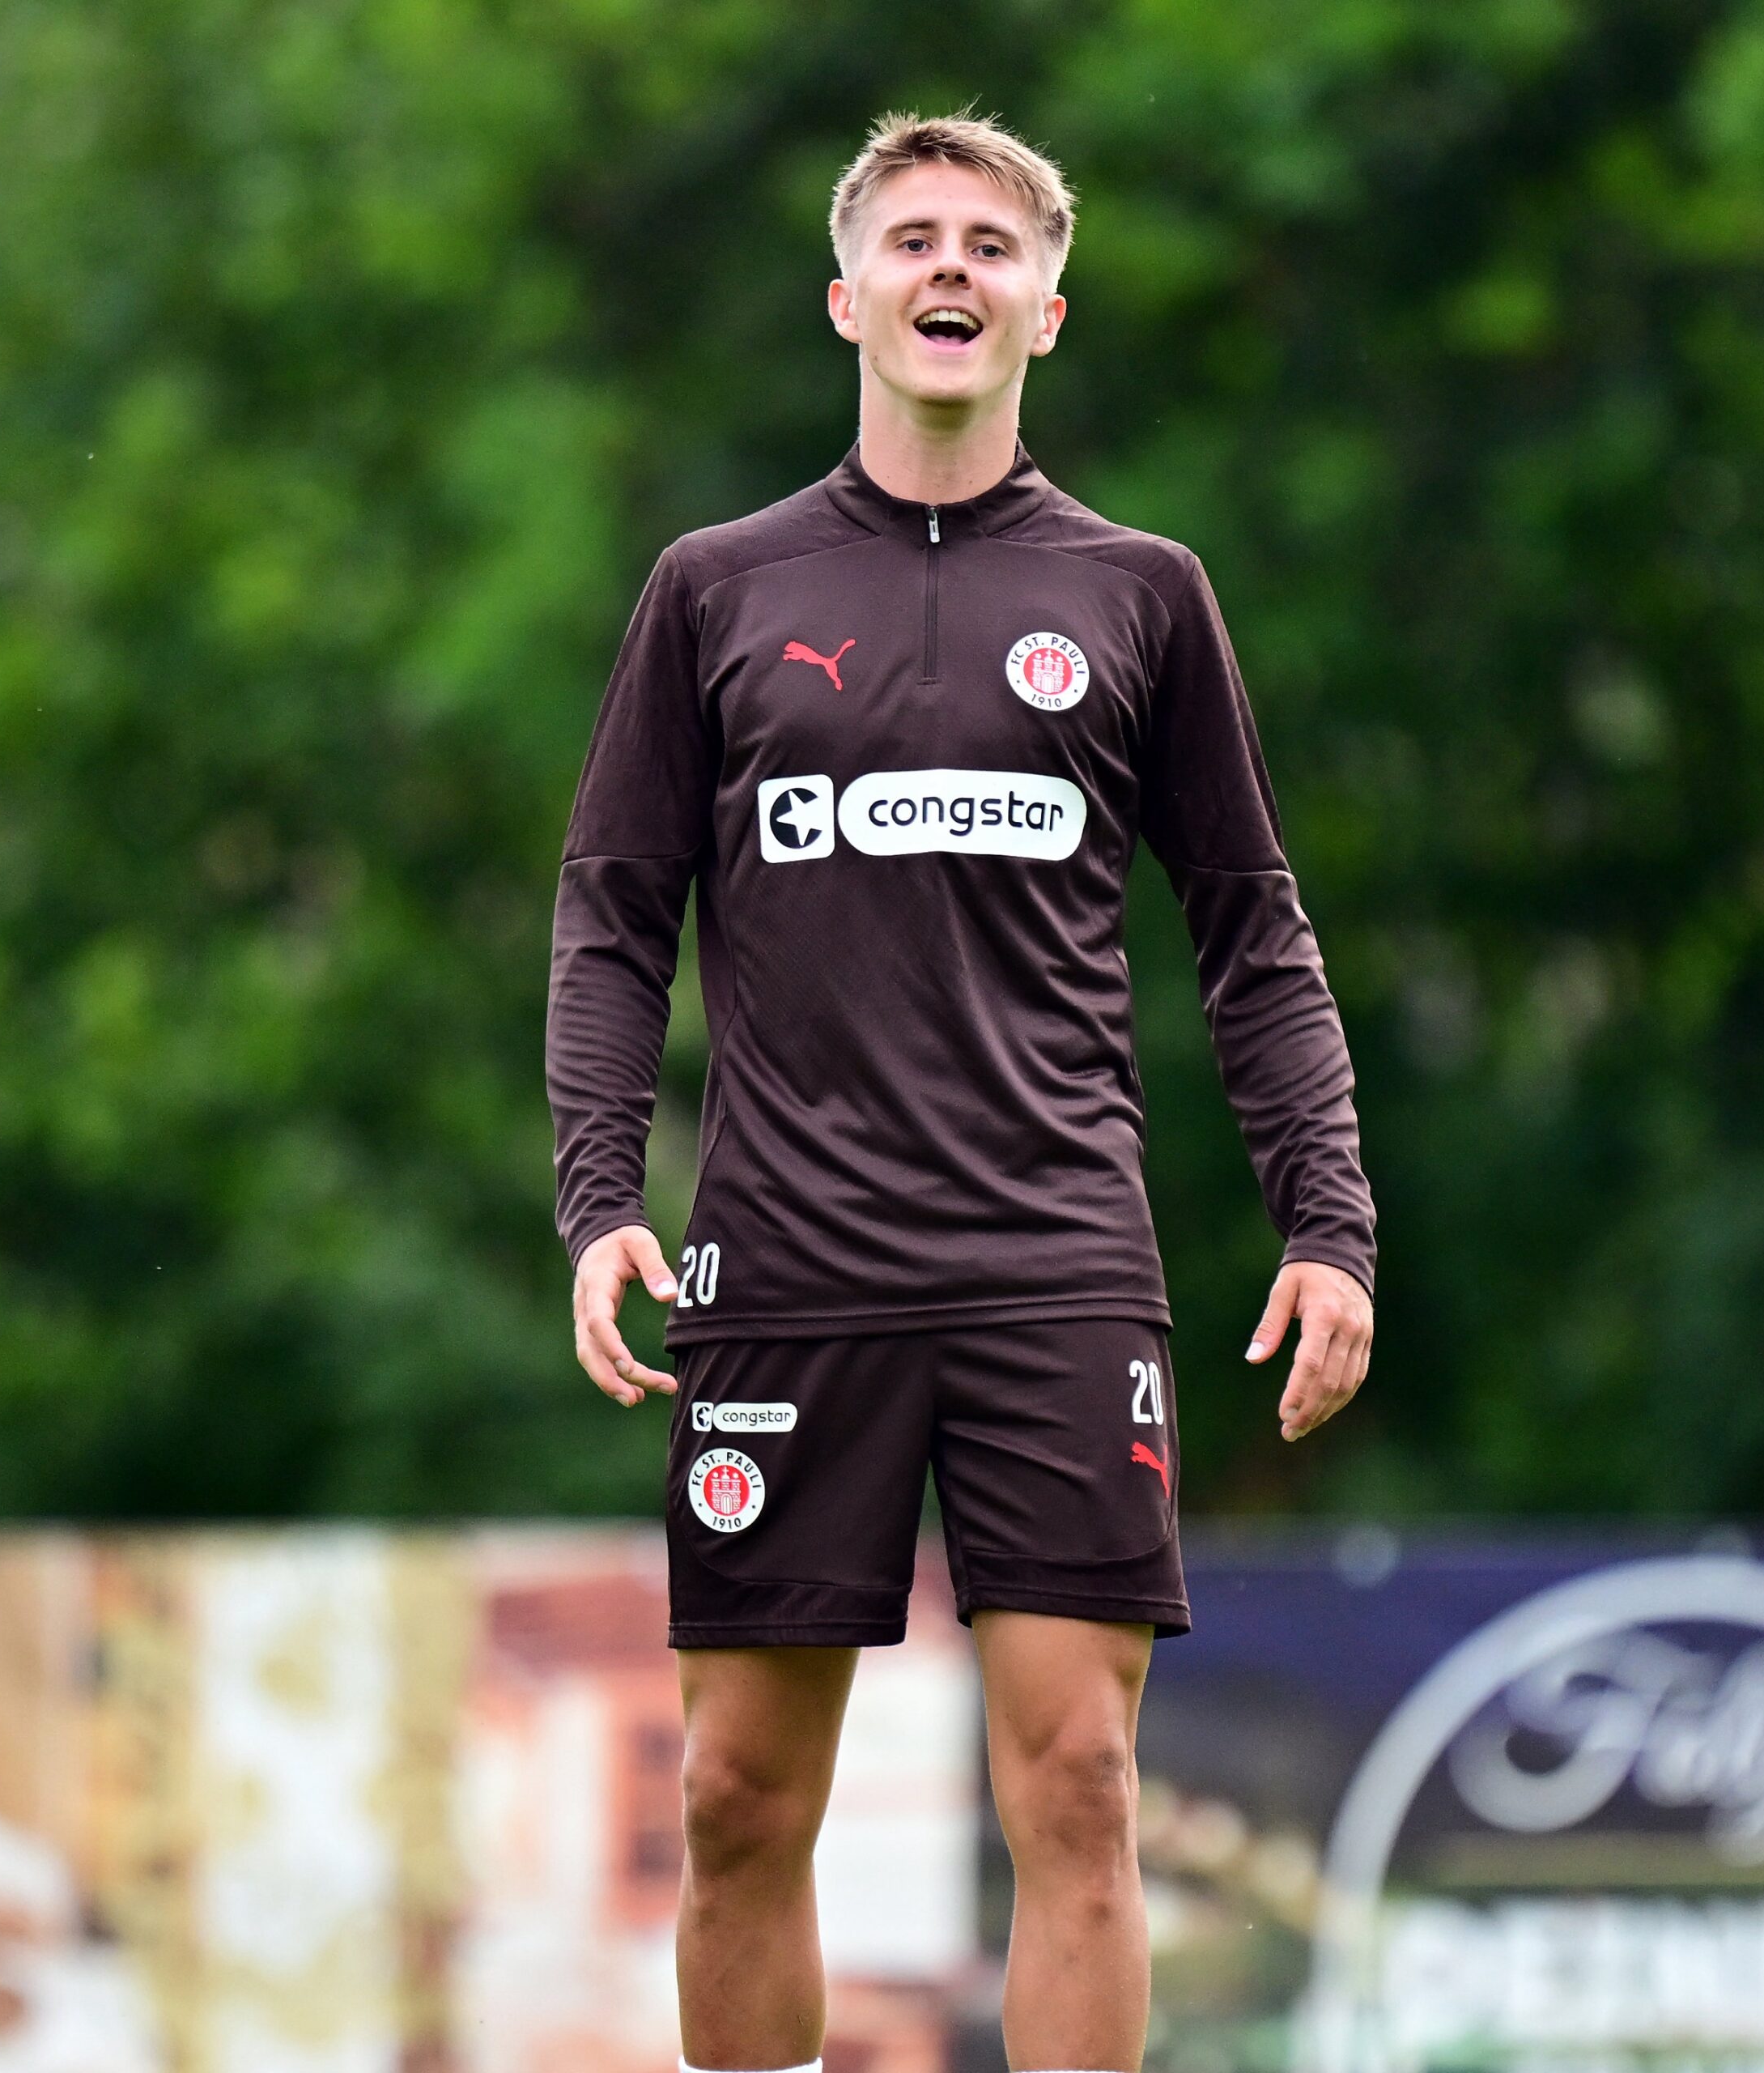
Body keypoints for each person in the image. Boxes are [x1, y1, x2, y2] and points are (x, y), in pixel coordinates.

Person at [546, 109, 1375, 2073]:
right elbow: (608, 918)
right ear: (847, 298)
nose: (948, 268)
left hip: (1054, 1263)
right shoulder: (714, 589)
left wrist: (1329, 1218)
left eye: (987, 246)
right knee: (743, 1801)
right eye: (910, 238)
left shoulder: (1142, 594)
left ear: (1045, 311)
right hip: (790, 1265)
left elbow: (1256, 928)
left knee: (1078, 1788)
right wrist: (598, 1200)